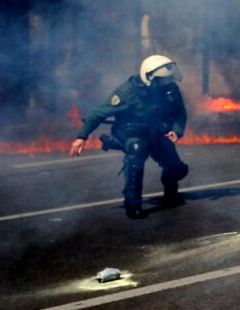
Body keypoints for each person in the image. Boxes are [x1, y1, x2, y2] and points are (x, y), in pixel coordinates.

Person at [69, 55, 189, 219]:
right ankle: (133, 203)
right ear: (149, 78)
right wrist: (81, 137)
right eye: (162, 80)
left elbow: (180, 113)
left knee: (177, 169)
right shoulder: (127, 92)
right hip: (130, 131)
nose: (167, 82)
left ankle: (171, 193)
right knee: (136, 151)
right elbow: (97, 114)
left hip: (156, 131)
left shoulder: (170, 88)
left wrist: (177, 130)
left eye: (169, 78)